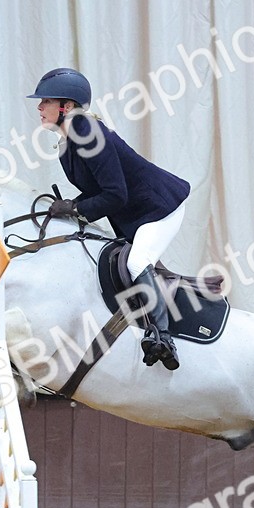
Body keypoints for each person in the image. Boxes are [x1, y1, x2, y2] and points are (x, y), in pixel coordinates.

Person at [27, 67, 190, 370]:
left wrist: (75, 208)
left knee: (137, 263)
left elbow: (116, 195)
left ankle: (164, 337)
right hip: (135, 212)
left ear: (67, 106)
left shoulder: (85, 131)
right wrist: (72, 204)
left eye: (45, 101)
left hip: (160, 207)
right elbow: (101, 189)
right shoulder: (69, 139)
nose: (39, 107)